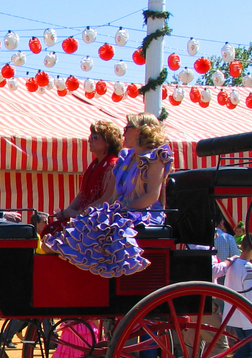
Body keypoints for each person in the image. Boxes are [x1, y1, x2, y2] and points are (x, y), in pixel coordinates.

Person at [44, 116, 173, 278]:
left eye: (127, 129)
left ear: (140, 131)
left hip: (144, 213)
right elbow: (113, 197)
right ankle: (67, 250)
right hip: (123, 209)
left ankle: (70, 252)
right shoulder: (126, 158)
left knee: (111, 224)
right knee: (92, 220)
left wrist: (122, 209)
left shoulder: (155, 157)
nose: (123, 133)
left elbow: (152, 196)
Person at [42, 121, 123, 236]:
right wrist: (67, 212)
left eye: (95, 137)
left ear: (108, 142)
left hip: (97, 221)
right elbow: (82, 194)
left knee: (59, 238)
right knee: (49, 232)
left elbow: (106, 199)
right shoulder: (94, 165)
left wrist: (78, 213)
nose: (90, 140)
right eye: (90, 137)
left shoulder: (112, 165)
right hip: (83, 216)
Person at [213, 234, 252, 358]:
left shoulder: (234, 264)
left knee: (243, 354)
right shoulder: (249, 268)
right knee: (244, 354)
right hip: (248, 317)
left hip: (236, 317)